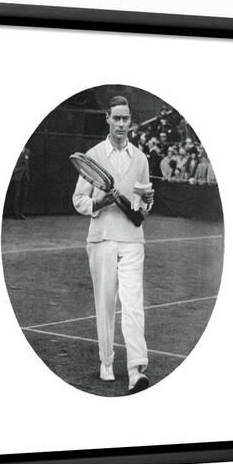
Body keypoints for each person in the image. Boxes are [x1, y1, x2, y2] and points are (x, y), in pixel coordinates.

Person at [72, 96, 154, 394]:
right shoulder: (92, 154)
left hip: (133, 239)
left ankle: (136, 370)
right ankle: (106, 361)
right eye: (116, 118)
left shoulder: (142, 158)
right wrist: (98, 202)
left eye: (126, 119)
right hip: (102, 239)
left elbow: (144, 199)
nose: (121, 124)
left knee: (133, 304)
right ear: (107, 118)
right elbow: (78, 199)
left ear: (131, 121)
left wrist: (146, 202)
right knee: (105, 304)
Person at [10, 146, 31, 219]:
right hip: (17, 176)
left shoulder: (28, 151)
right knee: (17, 195)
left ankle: (21, 213)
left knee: (24, 195)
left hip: (25, 176)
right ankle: (16, 214)